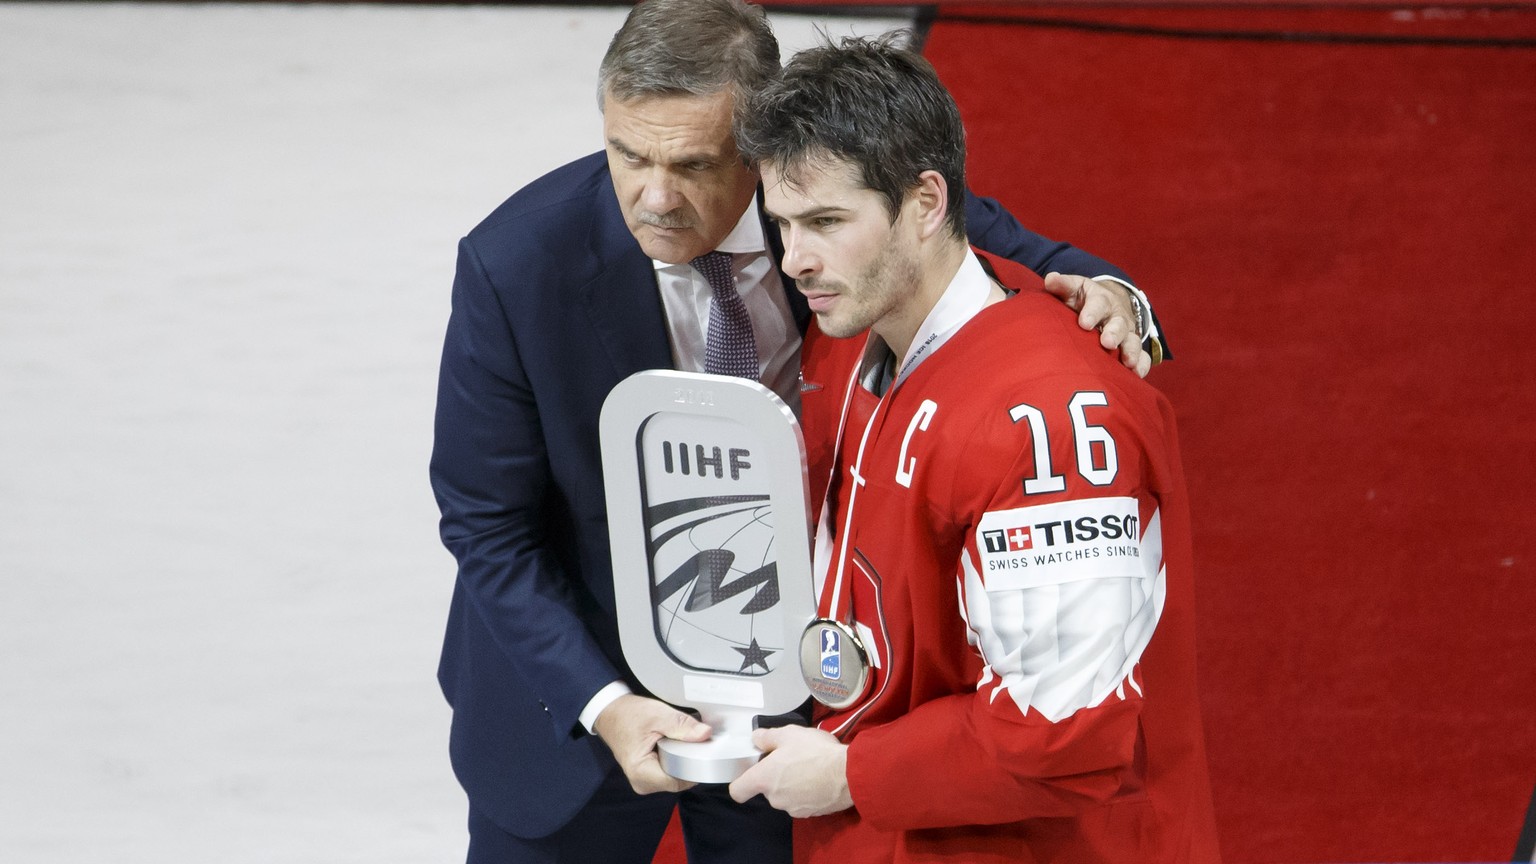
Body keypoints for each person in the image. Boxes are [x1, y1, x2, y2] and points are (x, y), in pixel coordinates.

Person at [428, 1, 1166, 861]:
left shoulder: (831, 215)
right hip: (579, 698)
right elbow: (486, 523)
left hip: (801, 694)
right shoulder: (515, 264)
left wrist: (1120, 299)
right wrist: (603, 703)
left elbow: (1019, 254)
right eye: (628, 154)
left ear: (764, 147)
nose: (654, 198)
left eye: (694, 163)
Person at [724, 34, 1220, 862]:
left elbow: (1063, 734)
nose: (795, 259)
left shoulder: (1051, 421)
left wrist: (852, 773)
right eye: (781, 223)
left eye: (826, 222)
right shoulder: (854, 327)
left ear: (926, 203)